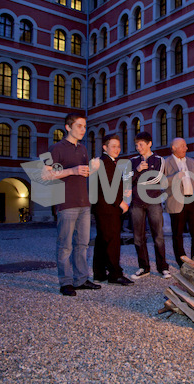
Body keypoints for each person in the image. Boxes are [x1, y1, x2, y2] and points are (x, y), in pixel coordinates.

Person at [42, 113, 102, 296]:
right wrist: (72, 170)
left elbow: (82, 174)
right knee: (65, 245)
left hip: (84, 203)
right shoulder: (55, 148)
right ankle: (66, 282)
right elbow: (44, 175)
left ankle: (81, 279)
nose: (83, 130)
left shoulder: (83, 149)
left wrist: (93, 169)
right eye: (79, 126)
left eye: (84, 126)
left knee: (82, 244)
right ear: (68, 127)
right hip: (66, 203)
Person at [125, 131, 170, 280]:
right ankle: (144, 267)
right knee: (138, 237)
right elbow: (126, 179)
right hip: (137, 203)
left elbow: (158, 178)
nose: (138, 147)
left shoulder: (159, 159)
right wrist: (137, 171)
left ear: (149, 144)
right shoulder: (132, 161)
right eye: (136, 145)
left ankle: (163, 267)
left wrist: (137, 179)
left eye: (141, 144)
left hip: (154, 202)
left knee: (158, 236)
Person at [92, 134, 133, 286]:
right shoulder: (105, 162)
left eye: (118, 146)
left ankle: (99, 273)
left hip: (103, 207)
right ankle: (115, 274)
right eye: (113, 146)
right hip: (108, 207)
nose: (117, 149)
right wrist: (121, 202)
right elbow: (106, 185)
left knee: (102, 240)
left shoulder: (108, 162)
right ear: (105, 147)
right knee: (112, 241)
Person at [164, 137, 194, 267]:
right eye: (182, 146)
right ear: (174, 147)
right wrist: (175, 177)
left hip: (193, 200)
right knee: (178, 234)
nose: (186, 148)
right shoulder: (166, 163)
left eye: (186, 146)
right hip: (176, 201)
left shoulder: (192, 162)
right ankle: (181, 260)